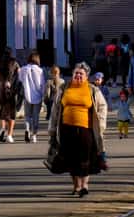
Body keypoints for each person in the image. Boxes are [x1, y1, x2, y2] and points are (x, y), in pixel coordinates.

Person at [47, 62, 107, 197]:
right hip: (66, 129)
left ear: (86, 76)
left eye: (81, 74)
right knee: (71, 158)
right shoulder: (64, 88)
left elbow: (102, 107)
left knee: (85, 158)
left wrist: (101, 125)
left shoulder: (92, 90)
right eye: (76, 73)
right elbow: (55, 109)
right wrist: (52, 129)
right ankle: (76, 186)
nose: (78, 76)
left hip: (86, 129)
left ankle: (84, 185)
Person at [19, 51, 46, 143]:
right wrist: (43, 95)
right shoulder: (40, 70)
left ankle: (27, 129)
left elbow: (20, 80)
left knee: (27, 115)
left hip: (27, 95)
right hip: (37, 95)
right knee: (35, 116)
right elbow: (42, 84)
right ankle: (34, 135)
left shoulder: (23, 69)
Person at [0, 47, 20, 143]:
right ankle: (9, 135)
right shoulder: (14, 62)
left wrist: (2, 81)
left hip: (1, 88)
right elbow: (19, 72)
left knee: (2, 108)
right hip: (11, 88)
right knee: (12, 111)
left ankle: (2, 128)